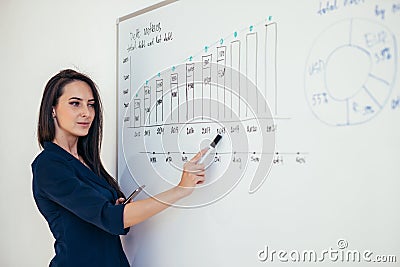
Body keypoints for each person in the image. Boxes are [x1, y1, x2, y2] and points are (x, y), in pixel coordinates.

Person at [32, 69, 207, 267]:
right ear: (52, 109)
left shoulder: (87, 161)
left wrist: (117, 207)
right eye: (75, 103)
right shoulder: (49, 166)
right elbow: (111, 218)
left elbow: (107, 216)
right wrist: (180, 189)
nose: (86, 113)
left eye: (91, 105)